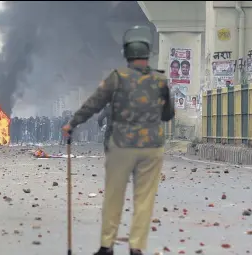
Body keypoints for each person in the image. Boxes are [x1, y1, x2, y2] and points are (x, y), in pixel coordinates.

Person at [62, 25, 174, 255]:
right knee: (144, 200)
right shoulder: (161, 81)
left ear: (127, 55)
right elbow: (168, 114)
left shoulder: (117, 78)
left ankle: (107, 245)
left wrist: (72, 123)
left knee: (114, 196)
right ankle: (136, 247)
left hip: (122, 145)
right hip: (152, 147)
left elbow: (94, 104)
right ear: (147, 55)